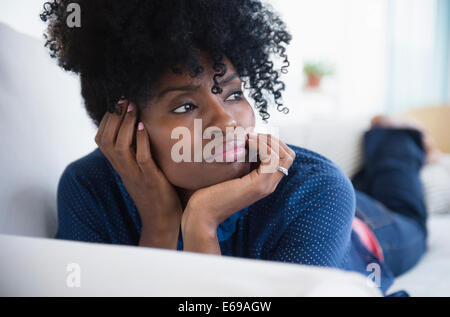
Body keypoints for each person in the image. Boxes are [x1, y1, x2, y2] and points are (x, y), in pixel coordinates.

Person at [41, 0, 433, 295]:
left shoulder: (316, 190)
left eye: (232, 94)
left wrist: (201, 221)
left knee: (408, 214)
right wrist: (161, 223)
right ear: (125, 125)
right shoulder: (88, 188)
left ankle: (396, 137)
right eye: (185, 105)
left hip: (360, 232)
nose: (227, 122)